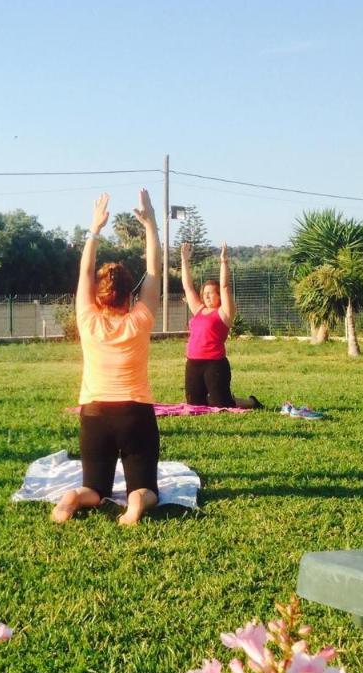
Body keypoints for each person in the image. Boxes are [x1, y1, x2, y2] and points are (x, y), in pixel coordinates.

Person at [52, 191, 161, 527]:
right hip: (135, 413)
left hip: (95, 414)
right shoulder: (139, 319)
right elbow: (154, 270)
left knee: (94, 489)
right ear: (130, 296)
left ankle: (73, 499)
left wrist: (95, 230)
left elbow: (85, 274)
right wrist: (151, 224)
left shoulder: (88, 319)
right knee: (145, 487)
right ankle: (136, 502)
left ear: (98, 298)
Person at [180, 242, 260, 409]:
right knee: (195, 405)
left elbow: (224, 286)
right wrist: (184, 261)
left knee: (222, 405)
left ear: (219, 296)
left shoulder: (224, 313)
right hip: (193, 363)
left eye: (211, 293)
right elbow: (187, 287)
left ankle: (251, 402)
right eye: (205, 293)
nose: (207, 296)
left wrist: (223, 261)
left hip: (214, 364)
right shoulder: (199, 310)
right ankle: (214, 395)